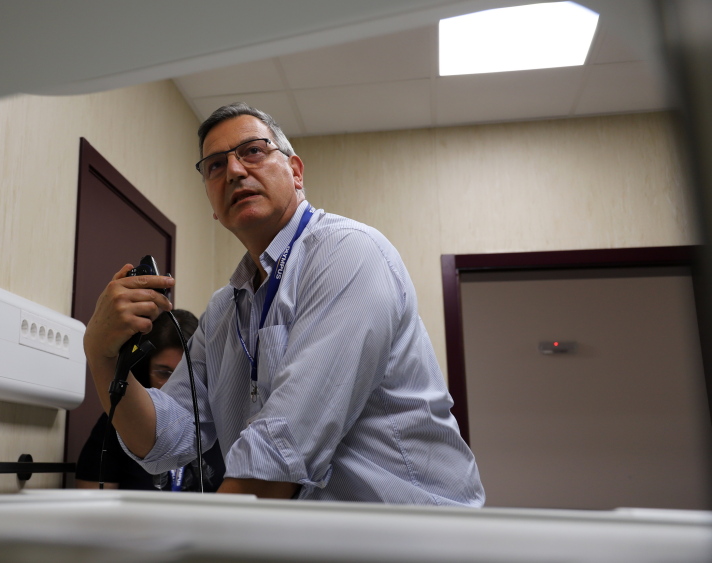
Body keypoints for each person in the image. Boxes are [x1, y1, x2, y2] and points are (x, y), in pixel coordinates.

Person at [83, 102, 485, 505]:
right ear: (212, 204)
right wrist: (100, 355)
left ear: (295, 172)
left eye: (253, 151)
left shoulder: (348, 253)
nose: (234, 171)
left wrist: (198, 535)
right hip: (311, 533)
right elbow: (162, 441)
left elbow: (280, 452)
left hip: (417, 530)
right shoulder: (223, 313)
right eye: (215, 166)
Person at [75, 309, 225, 492]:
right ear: (145, 369)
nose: (174, 384)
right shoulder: (119, 420)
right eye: (164, 373)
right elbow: (93, 501)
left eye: (186, 375)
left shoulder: (224, 424)